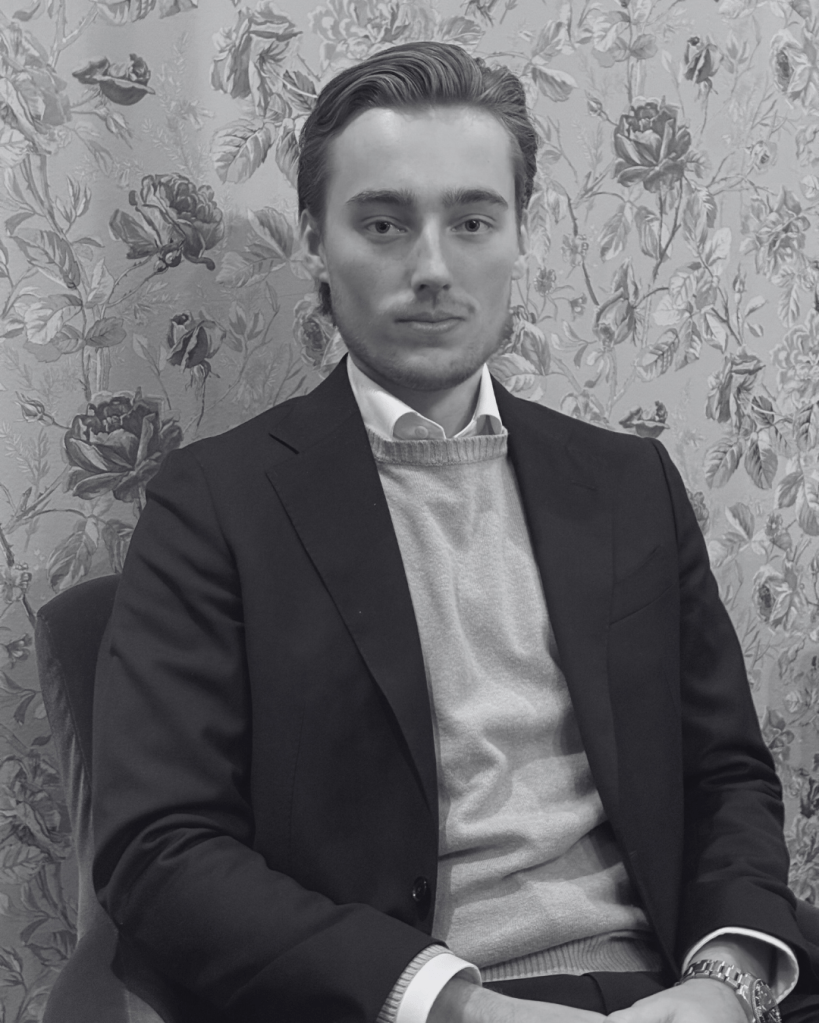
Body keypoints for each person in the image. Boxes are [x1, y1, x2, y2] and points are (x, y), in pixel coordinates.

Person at [91, 41, 819, 1023]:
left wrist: (726, 982)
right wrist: (454, 1005)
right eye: (383, 223)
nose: (432, 268)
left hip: (672, 985)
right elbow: (160, 849)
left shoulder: (626, 482)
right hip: (405, 999)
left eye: (473, 220)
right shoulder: (214, 504)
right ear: (315, 241)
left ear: (519, 235)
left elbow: (724, 770)